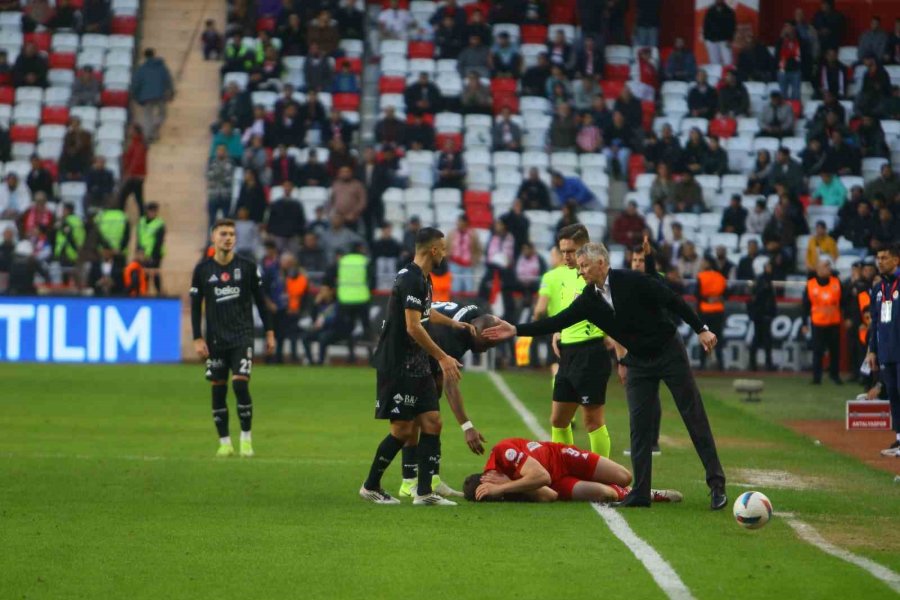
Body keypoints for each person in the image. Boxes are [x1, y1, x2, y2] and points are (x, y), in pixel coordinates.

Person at [484, 242, 727, 510]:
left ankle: (717, 485)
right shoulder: (589, 299)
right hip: (637, 362)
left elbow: (673, 300)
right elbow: (557, 321)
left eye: (585, 266)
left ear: (602, 263)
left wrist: (701, 328)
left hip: (669, 352)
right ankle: (640, 494)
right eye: (579, 268)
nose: (581, 272)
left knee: (693, 416)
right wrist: (515, 329)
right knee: (639, 428)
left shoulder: (632, 280)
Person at [360, 227, 475, 506]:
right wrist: (443, 357)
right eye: (443, 249)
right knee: (402, 430)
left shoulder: (424, 278)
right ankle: (370, 486)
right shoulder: (410, 279)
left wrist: (452, 323)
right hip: (397, 364)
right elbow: (413, 327)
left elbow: (425, 312)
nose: (446, 253)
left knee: (433, 421)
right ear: (433, 250)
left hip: (416, 363)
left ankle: (424, 493)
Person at [397, 302, 501, 499]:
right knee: (413, 417)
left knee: (432, 417)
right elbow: (450, 386)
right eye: (486, 344)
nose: (486, 350)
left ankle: (432, 480)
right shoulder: (453, 337)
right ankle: (408, 481)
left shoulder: (477, 317)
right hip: (405, 353)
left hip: (427, 348)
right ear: (475, 332)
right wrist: (467, 427)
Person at [190, 219, 275, 458]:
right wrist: (197, 338)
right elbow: (196, 307)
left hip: (242, 336)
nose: (228, 238)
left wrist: (269, 332)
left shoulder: (247, 267)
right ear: (213, 238)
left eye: (231, 234)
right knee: (218, 390)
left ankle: (246, 439)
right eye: (223, 234)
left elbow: (261, 301)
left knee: (239, 383)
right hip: (215, 340)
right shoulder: (203, 270)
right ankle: (224, 442)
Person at [530, 225, 613, 457]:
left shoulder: (595, 275)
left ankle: (605, 477)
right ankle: (565, 468)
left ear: (585, 248)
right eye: (562, 251)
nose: (566, 256)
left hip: (590, 353)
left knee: (592, 420)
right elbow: (570, 312)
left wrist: (615, 343)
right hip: (567, 353)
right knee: (558, 419)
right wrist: (559, 331)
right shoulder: (564, 274)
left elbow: (609, 312)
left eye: (571, 251)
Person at [866, 244, 900, 456]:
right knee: (894, 395)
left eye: (885, 257)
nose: (880, 261)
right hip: (887, 350)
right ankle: (899, 439)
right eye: (878, 257)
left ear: (896, 260)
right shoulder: (879, 289)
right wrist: (872, 350)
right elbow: (875, 322)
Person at [802, 258, 843, 385]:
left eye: (829, 266)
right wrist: (804, 323)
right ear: (818, 269)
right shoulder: (810, 284)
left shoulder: (836, 282)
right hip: (818, 323)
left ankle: (835, 375)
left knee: (834, 351)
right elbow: (805, 306)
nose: (828, 268)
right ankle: (816, 377)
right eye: (825, 266)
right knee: (817, 351)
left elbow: (843, 302)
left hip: (833, 322)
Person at [131, 49, 174, 143]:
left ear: (145, 57)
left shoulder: (141, 69)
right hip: (160, 95)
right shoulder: (161, 66)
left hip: (146, 97)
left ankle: (148, 135)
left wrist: (135, 96)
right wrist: (171, 92)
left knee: (147, 116)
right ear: (154, 55)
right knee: (163, 114)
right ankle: (154, 128)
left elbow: (136, 84)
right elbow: (168, 80)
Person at [696, 258, 727, 370]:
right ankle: (721, 364)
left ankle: (702, 364)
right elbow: (726, 293)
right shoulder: (720, 277)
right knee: (718, 338)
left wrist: (707, 300)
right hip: (718, 310)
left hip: (704, 311)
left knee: (704, 338)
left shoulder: (701, 276)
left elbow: (697, 295)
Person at [747, 261, 777, 371]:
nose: (770, 268)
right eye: (768, 266)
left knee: (762, 338)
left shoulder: (765, 280)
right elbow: (758, 298)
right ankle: (758, 363)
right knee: (762, 338)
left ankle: (756, 363)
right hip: (762, 314)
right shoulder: (763, 280)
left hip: (762, 313)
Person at [137, 202, 166, 294]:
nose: (152, 213)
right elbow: (139, 238)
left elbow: (159, 242)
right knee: (144, 276)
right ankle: (144, 293)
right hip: (143, 254)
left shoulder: (159, 224)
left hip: (155, 254)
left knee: (155, 275)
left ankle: (159, 293)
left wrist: (153, 256)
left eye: (154, 211)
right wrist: (139, 252)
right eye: (150, 211)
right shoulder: (141, 222)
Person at [119, 124, 148, 215]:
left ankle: (120, 215)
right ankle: (142, 215)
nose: (129, 132)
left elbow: (136, 161)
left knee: (123, 197)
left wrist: (129, 173)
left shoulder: (138, 144)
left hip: (134, 176)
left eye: (131, 130)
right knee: (138, 198)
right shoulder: (137, 143)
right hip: (136, 175)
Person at [703, 0, 736, 65]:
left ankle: (728, 75)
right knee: (714, 62)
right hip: (712, 40)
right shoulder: (710, 11)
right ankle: (716, 74)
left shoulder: (729, 11)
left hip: (724, 40)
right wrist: (706, 39)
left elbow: (732, 27)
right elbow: (706, 26)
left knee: (728, 61)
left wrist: (730, 39)